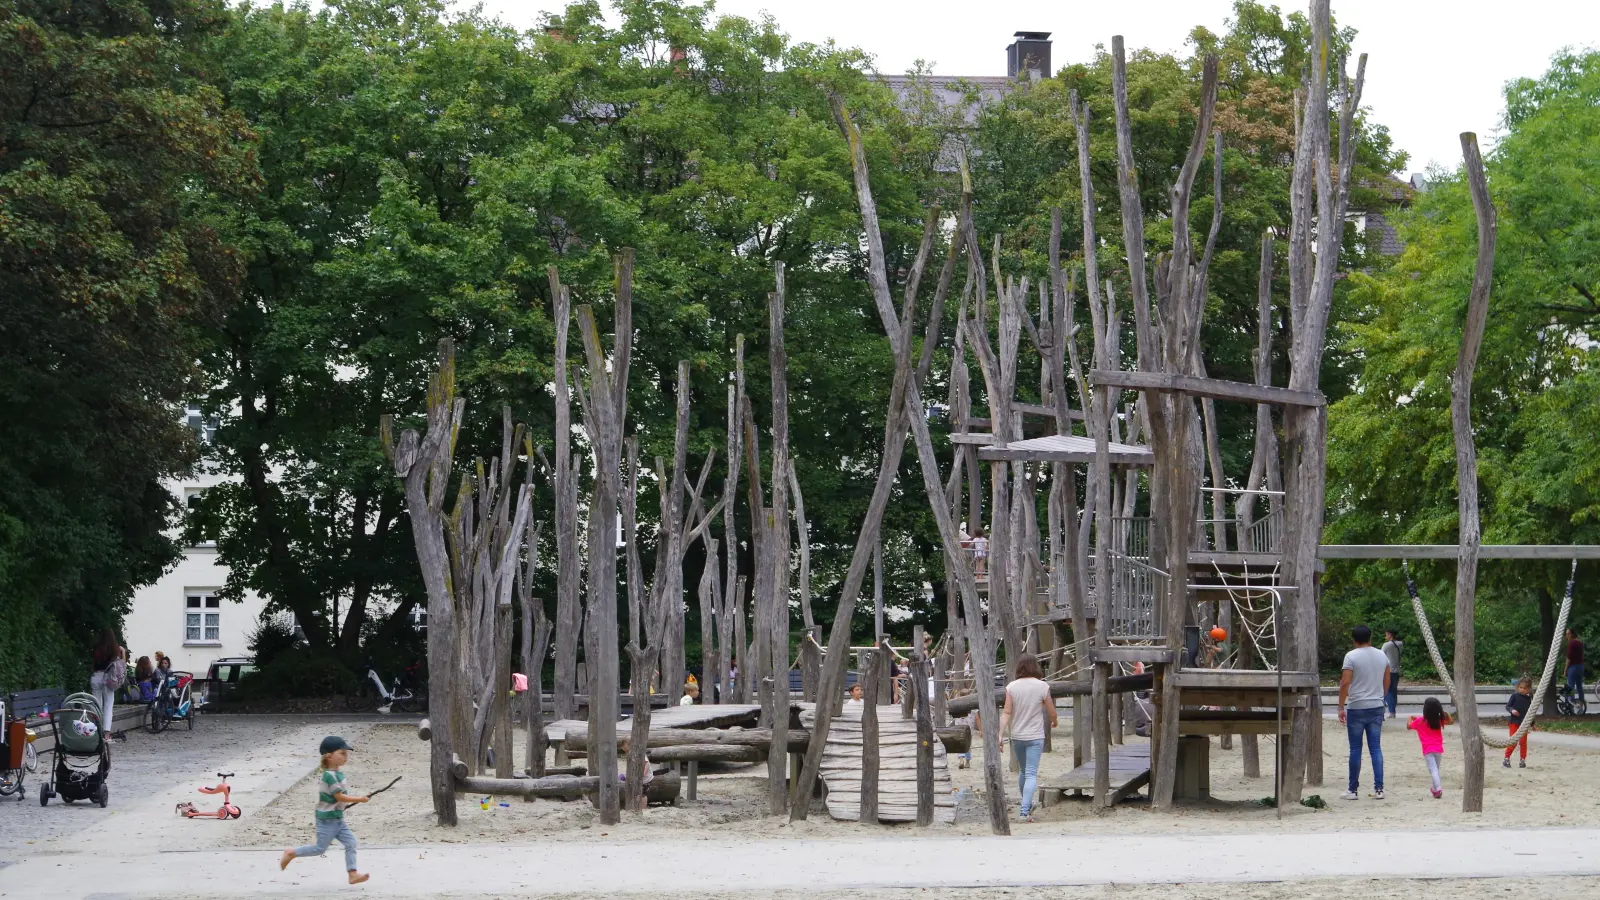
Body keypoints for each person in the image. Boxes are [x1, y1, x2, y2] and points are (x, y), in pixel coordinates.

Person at [281, 736, 369, 885]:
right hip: (327, 820)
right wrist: (359, 799)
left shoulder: (338, 774)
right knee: (320, 849)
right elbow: (339, 796)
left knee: (351, 842)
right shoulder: (329, 776)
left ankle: (352, 874)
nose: (346, 757)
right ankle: (291, 852)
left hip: (337, 818)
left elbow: (337, 799)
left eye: (346, 754)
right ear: (329, 756)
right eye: (342, 753)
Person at [998, 655, 1056, 823]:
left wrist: (1000, 733)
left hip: (1017, 735)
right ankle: (1024, 811)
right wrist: (1055, 721)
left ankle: (1027, 805)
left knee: (1024, 771)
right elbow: (1051, 710)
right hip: (1035, 735)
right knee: (1031, 773)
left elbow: (1007, 712)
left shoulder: (1012, 687)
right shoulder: (1042, 686)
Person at [1338, 624, 1390, 800]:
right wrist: (1381, 696)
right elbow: (1387, 680)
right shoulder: (1382, 655)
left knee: (1355, 749)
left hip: (1356, 706)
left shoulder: (1351, 656)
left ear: (1354, 640)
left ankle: (1352, 789)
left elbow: (1345, 682)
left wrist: (1340, 706)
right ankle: (1379, 789)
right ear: (1370, 638)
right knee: (1375, 747)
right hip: (1376, 705)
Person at [1407, 697, 1452, 799]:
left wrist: (1410, 717)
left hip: (1427, 750)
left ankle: (1439, 788)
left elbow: (1409, 726)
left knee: (1433, 770)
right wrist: (1442, 712)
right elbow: (1450, 720)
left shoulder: (1420, 721)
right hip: (1438, 749)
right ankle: (1435, 789)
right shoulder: (1438, 721)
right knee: (1436, 769)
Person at [89, 630, 125, 743]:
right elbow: (121, 664)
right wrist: (123, 652)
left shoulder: (96, 648)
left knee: (96, 706)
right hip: (108, 679)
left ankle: (95, 733)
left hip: (96, 677)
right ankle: (106, 735)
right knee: (108, 706)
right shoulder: (114, 649)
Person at [1503, 675, 1533, 769]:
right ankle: (1506, 759)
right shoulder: (1514, 696)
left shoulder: (1529, 699)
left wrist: (1532, 724)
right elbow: (1508, 706)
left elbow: (1530, 712)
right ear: (1517, 687)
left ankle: (1522, 760)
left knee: (1523, 742)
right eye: (1521, 687)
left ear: (1528, 689)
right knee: (1513, 742)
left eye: (1525, 688)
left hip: (1524, 724)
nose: (1523, 690)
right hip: (1514, 722)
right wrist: (1512, 710)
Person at [1381, 630, 1404, 718]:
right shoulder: (1400, 644)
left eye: (1386, 634)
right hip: (1397, 671)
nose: (1385, 636)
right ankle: (1392, 711)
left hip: (1388, 671)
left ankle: (1390, 711)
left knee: (1387, 691)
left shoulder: (1386, 645)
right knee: (1393, 691)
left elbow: (1380, 655)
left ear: (1390, 634)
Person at [1566, 629, 1585, 703]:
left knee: (1570, 687)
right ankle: (1582, 706)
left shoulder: (1571, 643)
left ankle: (1571, 705)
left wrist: (1565, 670)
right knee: (1579, 686)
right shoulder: (1580, 643)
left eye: (1568, 634)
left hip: (1573, 667)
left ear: (1572, 634)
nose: (1567, 636)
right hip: (1580, 667)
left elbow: (1569, 658)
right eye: (1566, 634)